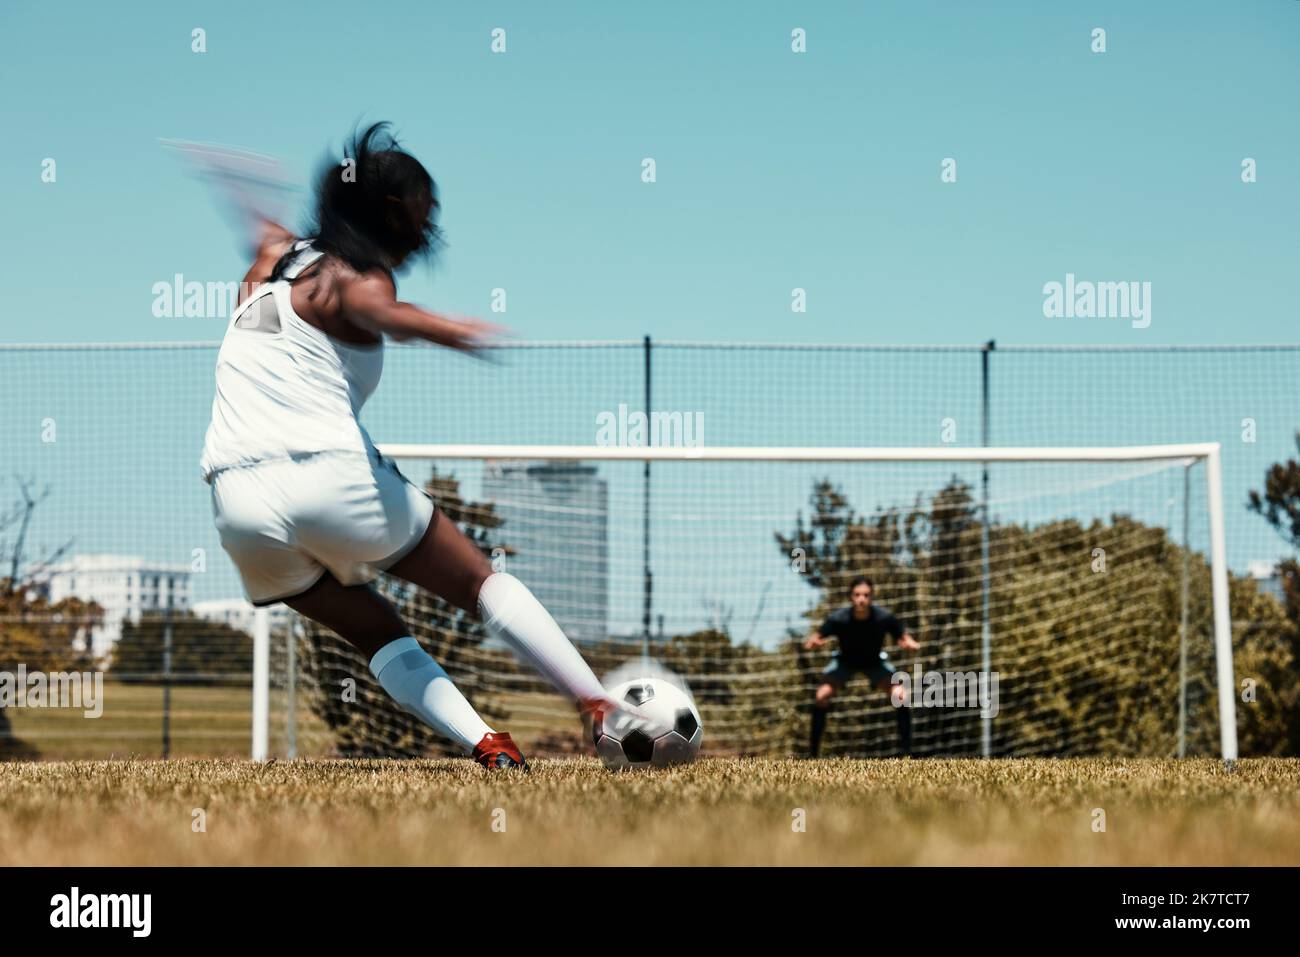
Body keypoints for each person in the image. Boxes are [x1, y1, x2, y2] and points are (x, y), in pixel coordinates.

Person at [199, 123, 617, 769]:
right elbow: (376, 308)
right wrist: (447, 328)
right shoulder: (356, 275)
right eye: (426, 210)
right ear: (394, 214)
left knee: (375, 630)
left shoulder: (271, 266)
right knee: (479, 580)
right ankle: (599, 705)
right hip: (326, 477)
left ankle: (487, 744)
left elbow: (266, 233)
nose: (431, 227)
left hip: (236, 503)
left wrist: (235, 184)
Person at [804, 576, 920, 757]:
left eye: (866, 595)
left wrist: (909, 642)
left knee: (901, 696)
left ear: (871, 597)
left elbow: (902, 635)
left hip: (874, 663)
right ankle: (812, 755)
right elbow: (819, 634)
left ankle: (907, 754)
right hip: (845, 662)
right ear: (851, 597)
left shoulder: (884, 617)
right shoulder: (838, 619)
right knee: (821, 695)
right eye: (857, 595)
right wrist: (815, 640)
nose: (861, 599)